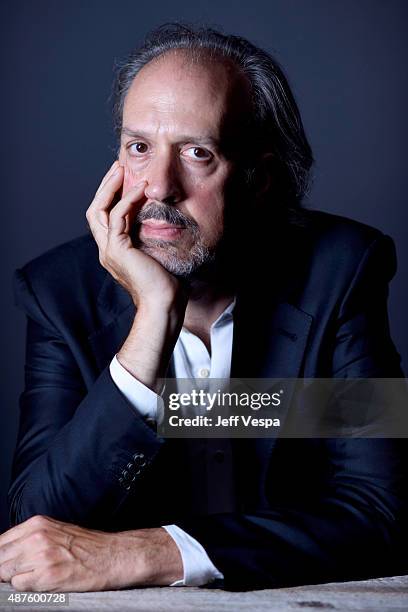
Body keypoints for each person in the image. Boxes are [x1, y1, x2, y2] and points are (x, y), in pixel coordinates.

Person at [2, 23, 407, 593]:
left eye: (198, 153)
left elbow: (380, 511)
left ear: (259, 179)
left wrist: (153, 552)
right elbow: (36, 527)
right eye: (139, 147)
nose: (160, 187)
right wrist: (154, 318)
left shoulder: (340, 271)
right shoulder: (58, 292)